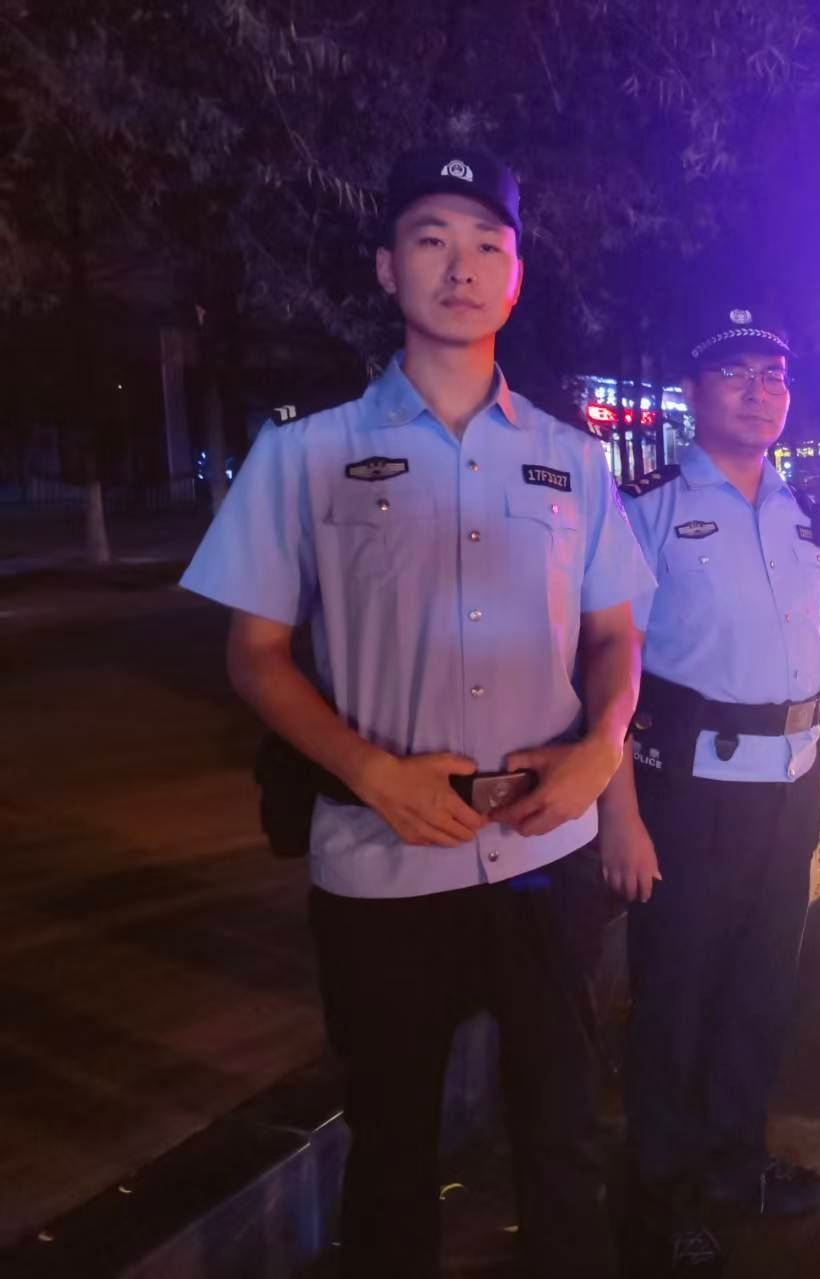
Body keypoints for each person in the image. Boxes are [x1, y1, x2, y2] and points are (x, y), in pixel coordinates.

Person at [178, 145, 652, 1277]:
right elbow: (254, 654)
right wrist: (370, 769)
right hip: (380, 862)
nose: (460, 265)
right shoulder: (308, 453)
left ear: (516, 278)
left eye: (488, 243)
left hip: (543, 854)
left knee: (563, 1139)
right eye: (431, 238)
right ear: (388, 268)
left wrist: (601, 749)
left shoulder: (573, 461)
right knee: (391, 1155)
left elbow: (614, 637)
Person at [598, 304, 820, 1270]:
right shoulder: (646, 508)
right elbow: (609, 667)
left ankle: (732, 1160)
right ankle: (660, 1194)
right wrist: (619, 814)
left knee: (761, 989)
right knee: (675, 999)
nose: (759, 392)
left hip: (788, 791)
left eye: (773, 374)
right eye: (735, 374)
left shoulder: (807, 515)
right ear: (692, 393)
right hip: (688, 796)